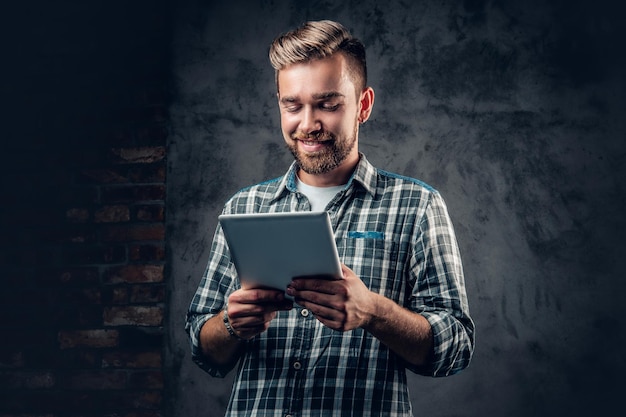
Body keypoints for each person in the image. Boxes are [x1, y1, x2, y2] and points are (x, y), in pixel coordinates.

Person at [186, 20, 475, 416]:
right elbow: (203, 349)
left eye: (328, 104)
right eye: (293, 105)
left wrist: (374, 311)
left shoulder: (417, 205)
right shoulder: (243, 207)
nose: (308, 124)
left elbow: (456, 348)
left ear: (363, 105)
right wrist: (232, 324)